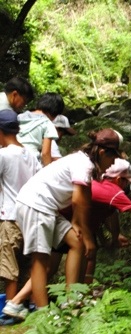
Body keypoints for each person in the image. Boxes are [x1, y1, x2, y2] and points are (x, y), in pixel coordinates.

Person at [3, 158, 131, 320]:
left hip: (60, 218)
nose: (125, 187)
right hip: (58, 219)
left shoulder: (97, 184)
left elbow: (98, 217)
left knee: (54, 264)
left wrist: (108, 239)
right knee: (51, 263)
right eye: (126, 182)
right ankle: (70, 300)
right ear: (119, 179)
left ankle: (24, 301)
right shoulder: (112, 191)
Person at [2, 128, 125, 315]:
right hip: (35, 204)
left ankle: (72, 300)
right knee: (41, 259)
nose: (112, 164)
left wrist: (78, 224)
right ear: (102, 153)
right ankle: (43, 314)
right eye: (113, 159)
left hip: (47, 207)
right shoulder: (84, 163)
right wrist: (86, 232)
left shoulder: (85, 162)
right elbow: (77, 199)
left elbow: (84, 198)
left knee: (76, 242)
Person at [0, 109, 41, 325]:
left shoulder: (3, 155)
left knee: (9, 267)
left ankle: (8, 311)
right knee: (28, 264)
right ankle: (31, 306)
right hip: (30, 216)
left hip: (9, 215)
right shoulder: (30, 154)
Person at [17, 93, 64, 166]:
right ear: (56, 113)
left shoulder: (19, 117)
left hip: (11, 154)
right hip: (30, 160)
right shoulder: (47, 123)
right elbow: (45, 154)